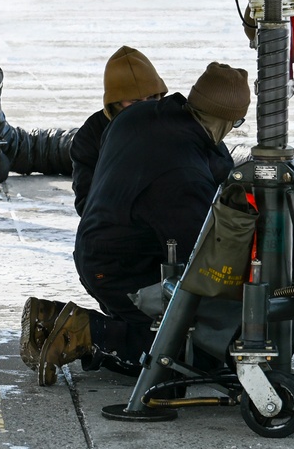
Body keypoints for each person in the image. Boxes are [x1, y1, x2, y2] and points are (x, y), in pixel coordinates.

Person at [22, 62, 250, 385]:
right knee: (191, 356)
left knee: (151, 327)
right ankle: (87, 333)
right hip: (124, 270)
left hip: (97, 250)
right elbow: (199, 253)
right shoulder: (183, 172)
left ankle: (51, 317)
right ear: (227, 120)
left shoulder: (140, 116)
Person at [70, 46, 167, 216]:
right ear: (116, 102)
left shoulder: (173, 122)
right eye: (135, 101)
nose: (146, 106)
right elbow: (87, 204)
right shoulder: (91, 136)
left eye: (151, 97)